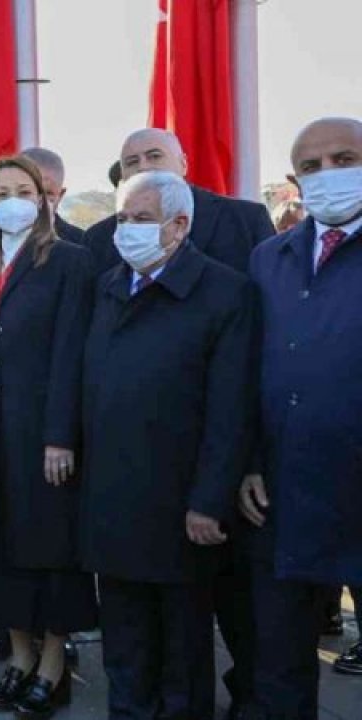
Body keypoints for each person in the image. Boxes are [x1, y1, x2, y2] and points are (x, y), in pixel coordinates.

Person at [83, 127, 274, 715]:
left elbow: (229, 408)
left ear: (179, 225)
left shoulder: (225, 292)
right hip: (114, 501)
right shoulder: (109, 286)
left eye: (143, 218)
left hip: (180, 505)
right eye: (122, 219)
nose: (128, 230)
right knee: (125, 639)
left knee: (182, 647)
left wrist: (208, 499)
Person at [0, 156, 97, 716]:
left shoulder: (69, 262)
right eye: (1, 191)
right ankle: (20, 654)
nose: (12, 198)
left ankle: (54, 664)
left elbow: (70, 353)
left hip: (43, 437)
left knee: (48, 548)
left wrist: (61, 435)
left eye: (23, 189)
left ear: (42, 198)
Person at [241, 116, 362, 715]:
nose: (328, 175)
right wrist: (251, 462)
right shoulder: (269, 258)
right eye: (311, 167)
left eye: (345, 159)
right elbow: (249, 370)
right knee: (281, 663)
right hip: (284, 493)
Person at [82, 128, 276, 274]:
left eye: (154, 156)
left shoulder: (246, 221)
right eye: (132, 162)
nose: (143, 167)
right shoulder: (100, 239)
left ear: (183, 164)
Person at [20, 147, 84, 245]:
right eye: (26, 192)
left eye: (47, 193)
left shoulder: (82, 243)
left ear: (60, 195)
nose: (37, 201)